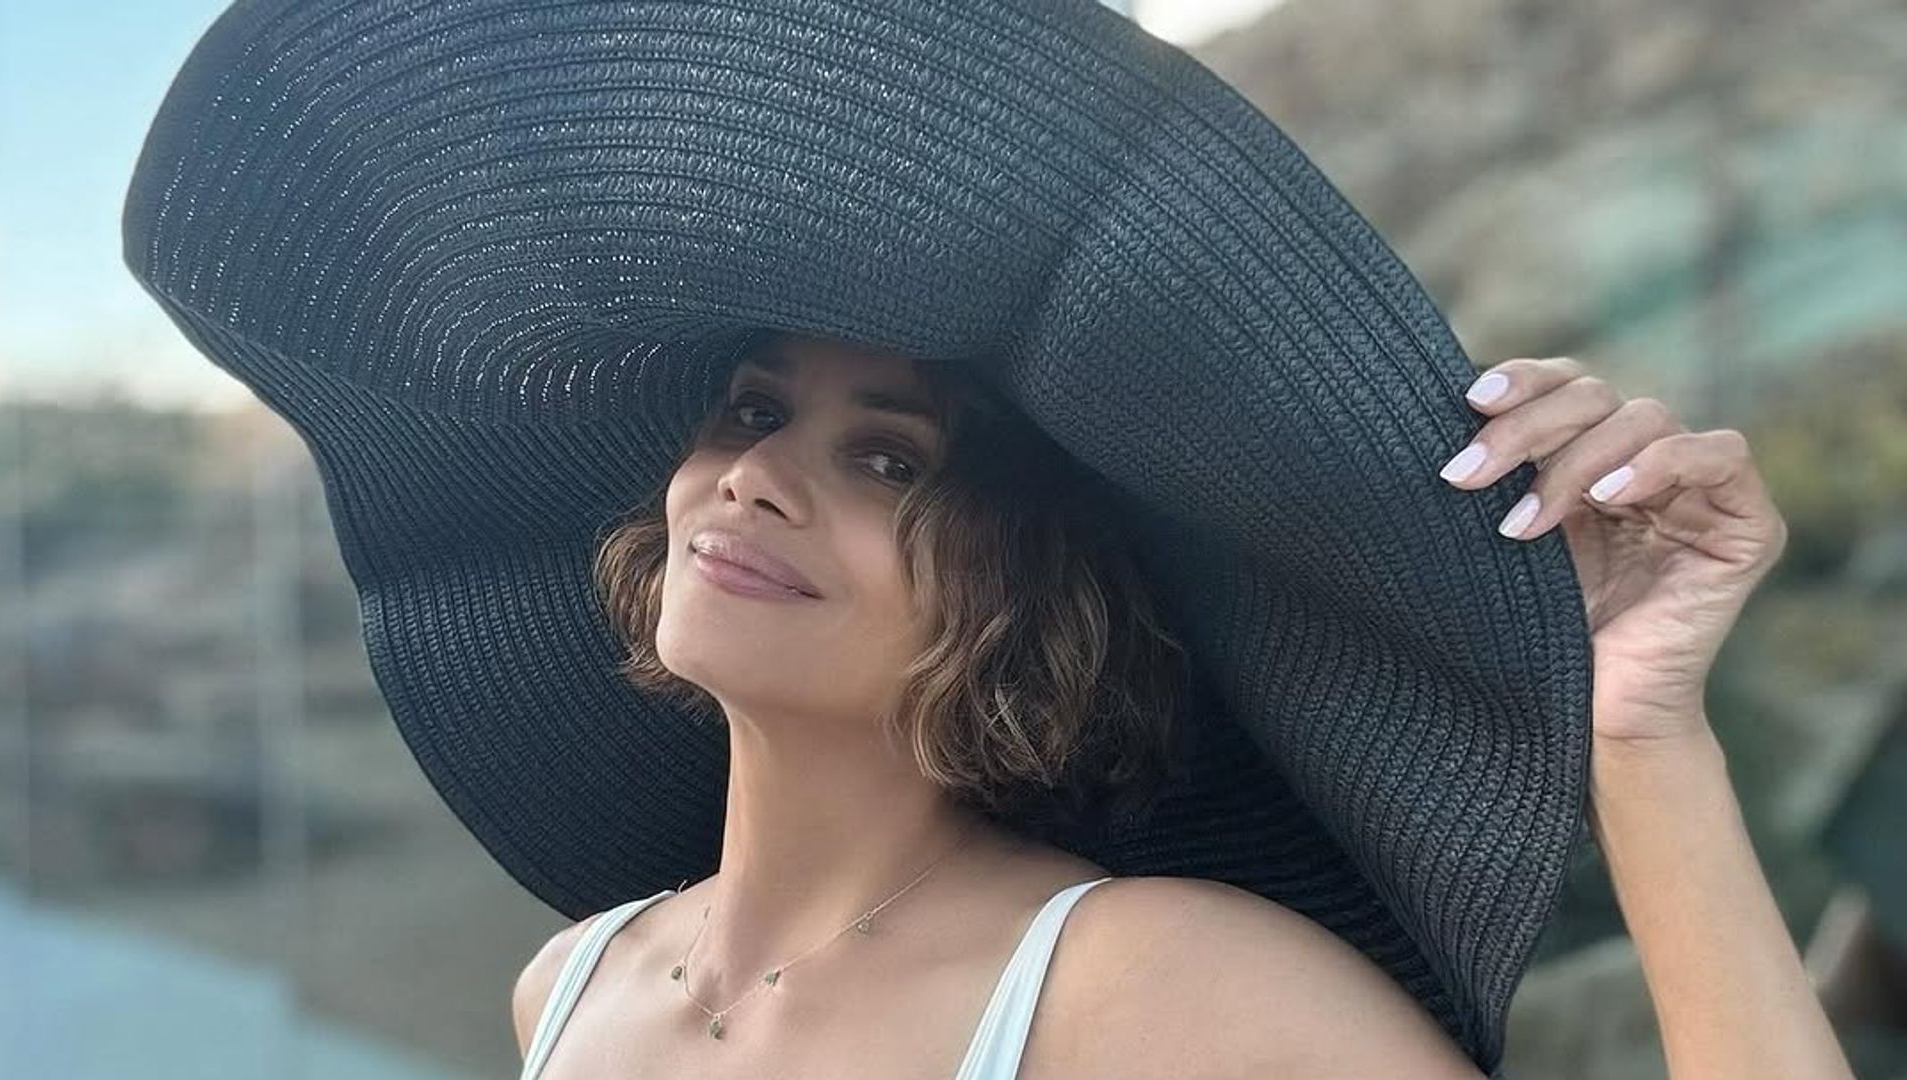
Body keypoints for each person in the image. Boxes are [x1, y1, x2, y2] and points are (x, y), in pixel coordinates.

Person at [117, 0, 1854, 1076]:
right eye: (746, 410)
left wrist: (1639, 731)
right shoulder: (564, 989)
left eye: (888, 464)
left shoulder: (1143, 988)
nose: (761, 477)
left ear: (1026, 607)